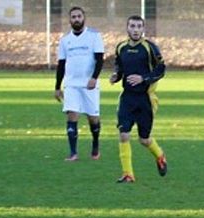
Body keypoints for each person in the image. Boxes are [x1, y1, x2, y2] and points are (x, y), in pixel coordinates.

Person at [109, 15, 167, 184]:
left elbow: (161, 70)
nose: (135, 30)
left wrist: (144, 79)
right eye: (132, 26)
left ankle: (160, 156)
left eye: (138, 26)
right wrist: (116, 76)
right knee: (123, 134)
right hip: (127, 98)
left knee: (144, 139)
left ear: (143, 29)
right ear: (127, 28)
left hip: (145, 99)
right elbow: (119, 68)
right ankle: (128, 174)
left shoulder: (150, 48)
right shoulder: (121, 48)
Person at [54, 6, 105, 162]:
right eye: (73, 17)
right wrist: (57, 87)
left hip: (89, 84)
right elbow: (61, 64)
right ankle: (73, 153)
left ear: (84, 18)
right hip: (71, 85)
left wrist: (94, 78)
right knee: (72, 114)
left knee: (93, 118)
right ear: (70, 20)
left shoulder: (94, 36)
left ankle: (95, 143)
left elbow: (99, 59)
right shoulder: (65, 40)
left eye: (79, 16)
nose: (76, 19)